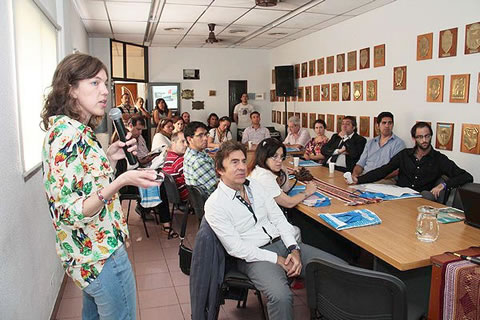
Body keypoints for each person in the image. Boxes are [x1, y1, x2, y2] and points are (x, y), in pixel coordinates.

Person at [41, 53, 160, 319]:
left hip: (88, 255)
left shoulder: (72, 131)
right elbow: (71, 211)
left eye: (106, 83)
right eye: (94, 83)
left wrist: (108, 155)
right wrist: (121, 181)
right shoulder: (70, 136)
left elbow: (80, 183)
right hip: (101, 254)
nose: (105, 91)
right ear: (71, 89)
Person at [204, 141, 346, 320]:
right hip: (254, 255)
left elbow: (279, 218)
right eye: (234, 162)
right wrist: (277, 259)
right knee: (280, 296)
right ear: (220, 169)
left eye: (242, 161)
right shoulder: (215, 204)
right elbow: (236, 248)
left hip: (282, 243)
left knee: (340, 268)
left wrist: (294, 249)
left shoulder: (255, 186)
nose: (241, 167)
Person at [350, 122, 473, 202]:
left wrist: (444, 185)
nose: (424, 140)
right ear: (414, 139)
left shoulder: (439, 159)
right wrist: (359, 180)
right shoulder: (405, 155)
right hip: (398, 200)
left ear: (431, 136)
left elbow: (466, 176)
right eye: (420, 137)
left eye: (427, 136)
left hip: (420, 202)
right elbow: (384, 170)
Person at [249, 138, 317, 208]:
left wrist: (284, 171)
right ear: (264, 156)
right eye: (275, 156)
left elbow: (286, 189)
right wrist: (308, 191)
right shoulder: (264, 176)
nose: (280, 160)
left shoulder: (259, 169)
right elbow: (289, 203)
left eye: (281, 157)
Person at [351, 112, 405, 180]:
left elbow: (396, 170)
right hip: (365, 178)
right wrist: (355, 175)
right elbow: (360, 164)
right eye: (384, 123)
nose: (387, 126)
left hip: (385, 180)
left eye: (390, 123)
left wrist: (374, 179)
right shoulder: (370, 143)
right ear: (378, 125)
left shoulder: (399, 144)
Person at [184, 121, 218, 196]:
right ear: (189, 139)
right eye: (200, 135)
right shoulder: (198, 161)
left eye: (206, 134)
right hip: (212, 199)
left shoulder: (192, 152)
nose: (205, 138)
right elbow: (217, 185)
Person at [163, 131, 189, 202]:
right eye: (182, 141)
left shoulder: (168, 156)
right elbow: (192, 180)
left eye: (186, 142)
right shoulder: (178, 160)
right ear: (173, 143)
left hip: (175, 196)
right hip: (187, 197)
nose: (186, 145)